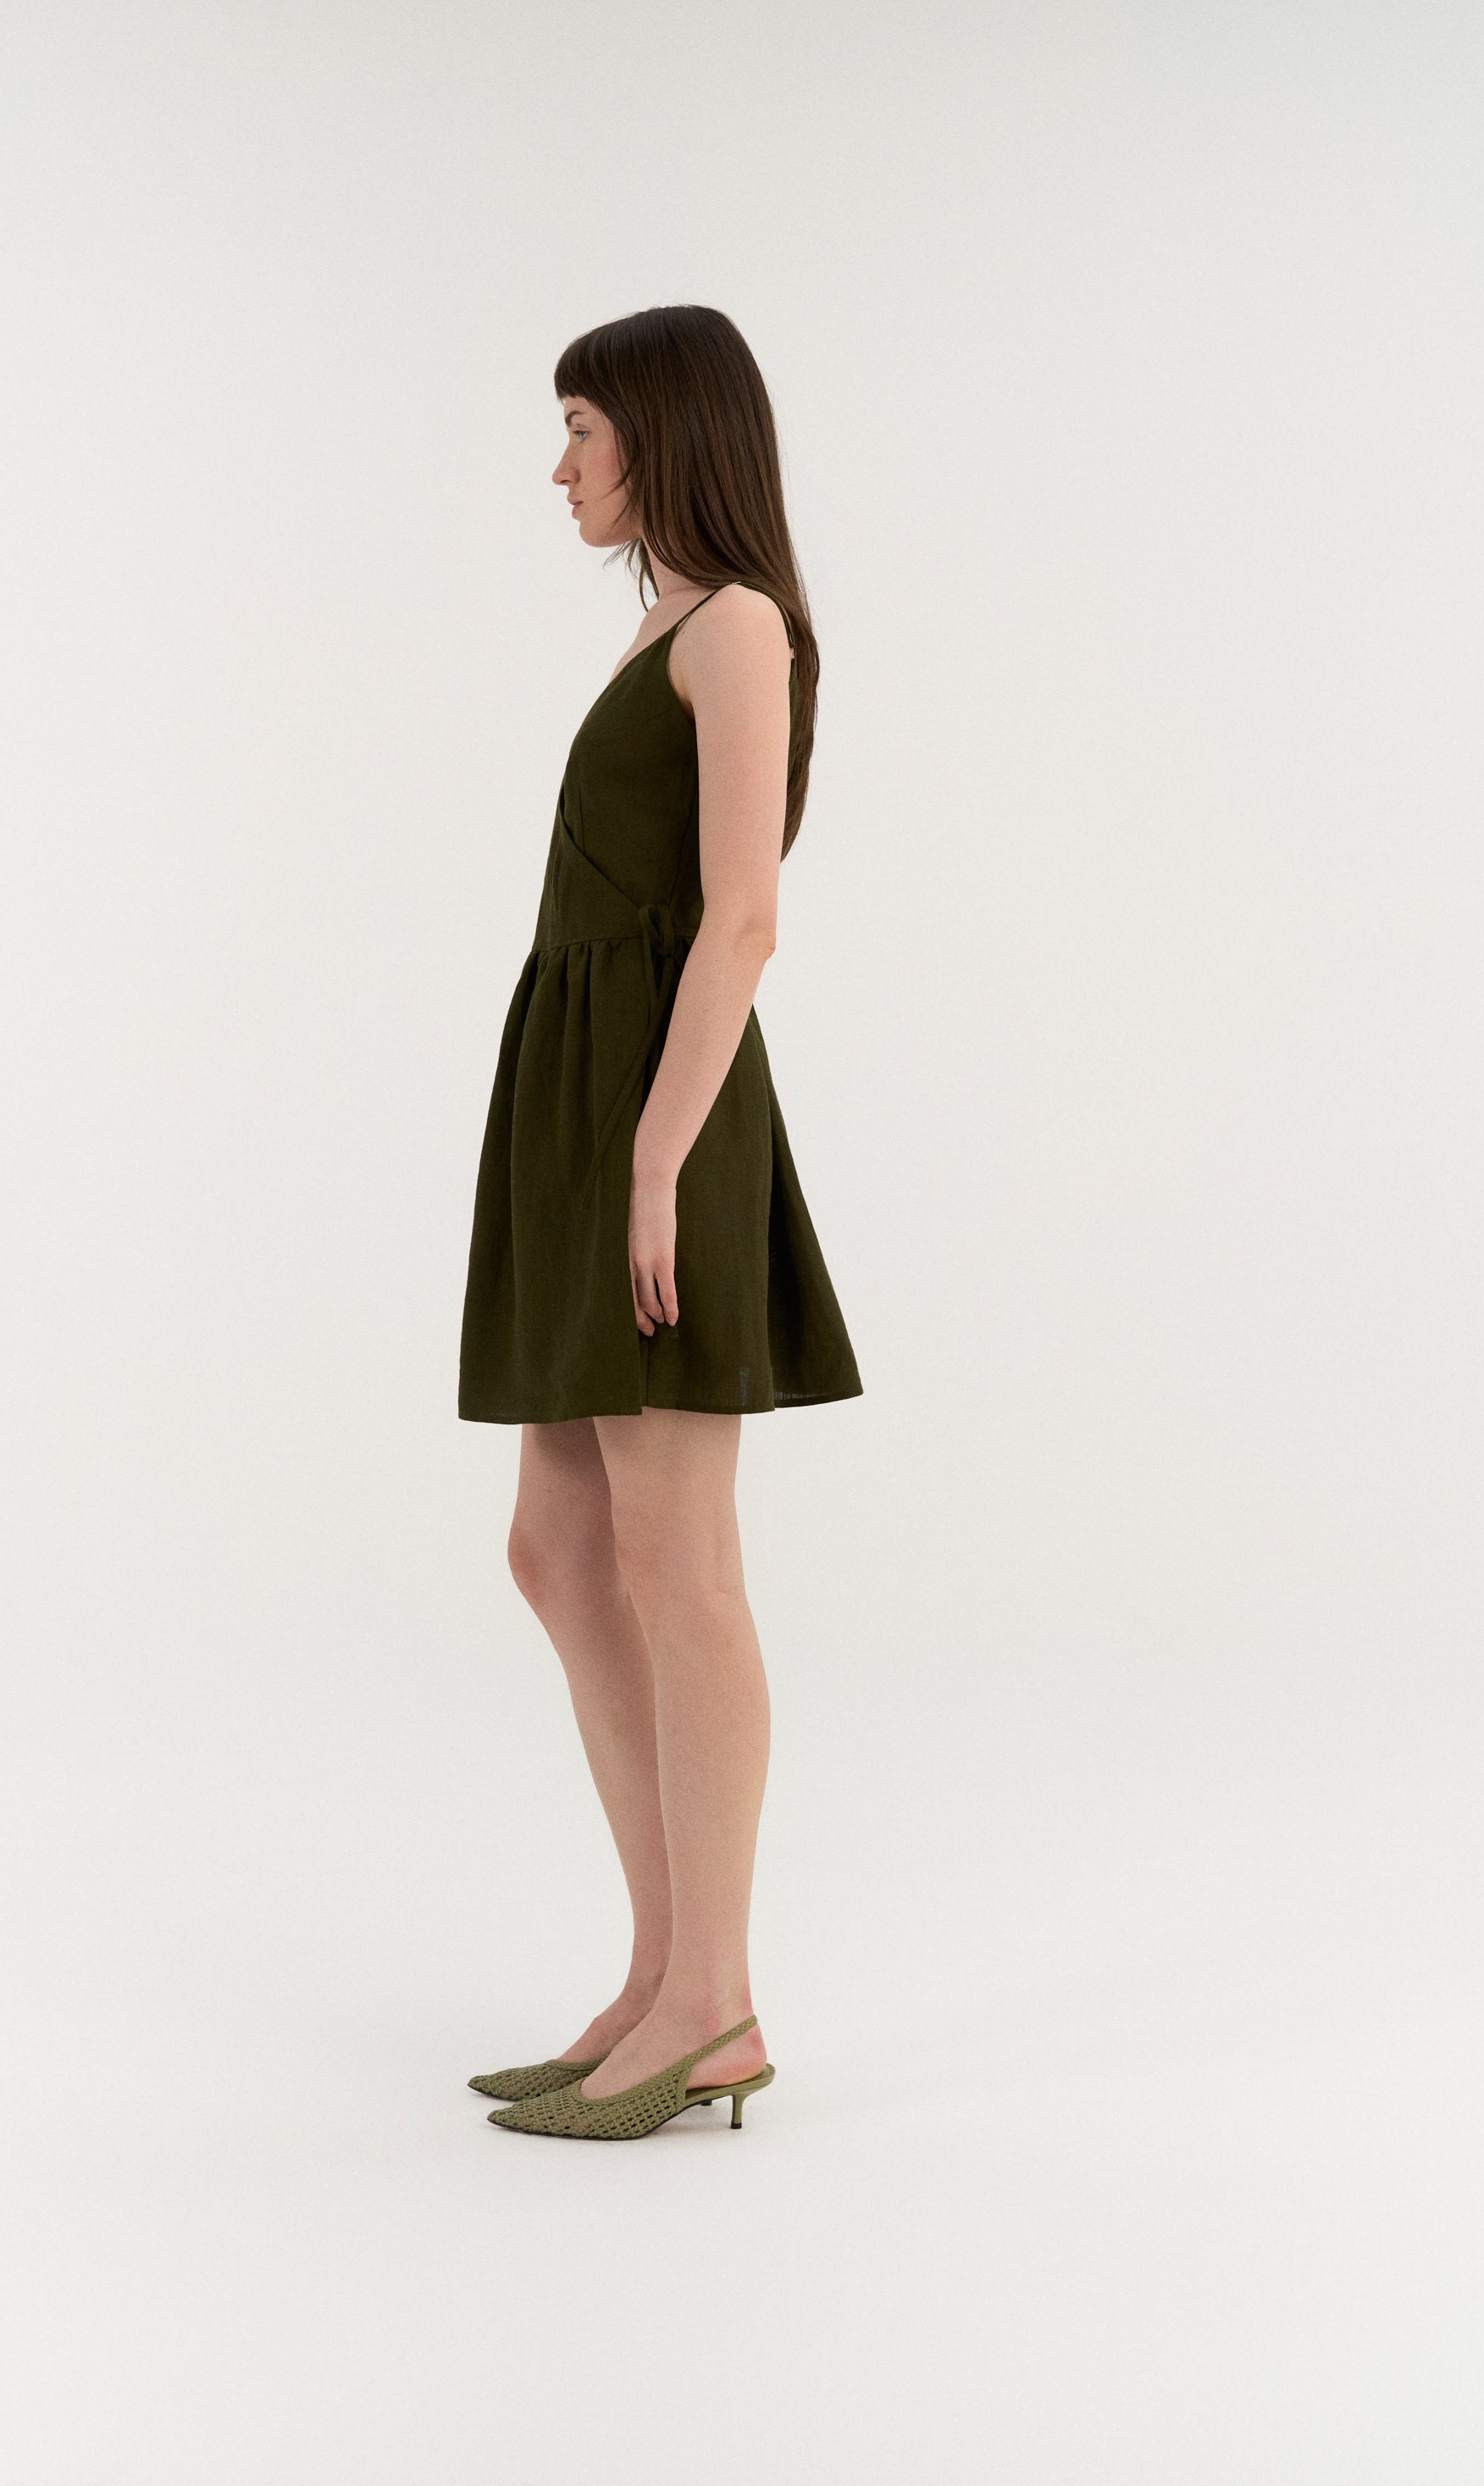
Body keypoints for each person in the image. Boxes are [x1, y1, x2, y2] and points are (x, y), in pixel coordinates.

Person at [457, 305, 863, 2141]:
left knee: (677, 1560)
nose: (561, 466)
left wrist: (650, 1164)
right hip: (586, 1109)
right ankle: (659, 1973)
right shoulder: (668, 623)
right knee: (560, 1546)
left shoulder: (738, 628)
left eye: (581, 429)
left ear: (665, 434)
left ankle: (718, 2003)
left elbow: (744, 917)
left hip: (659, 1121)